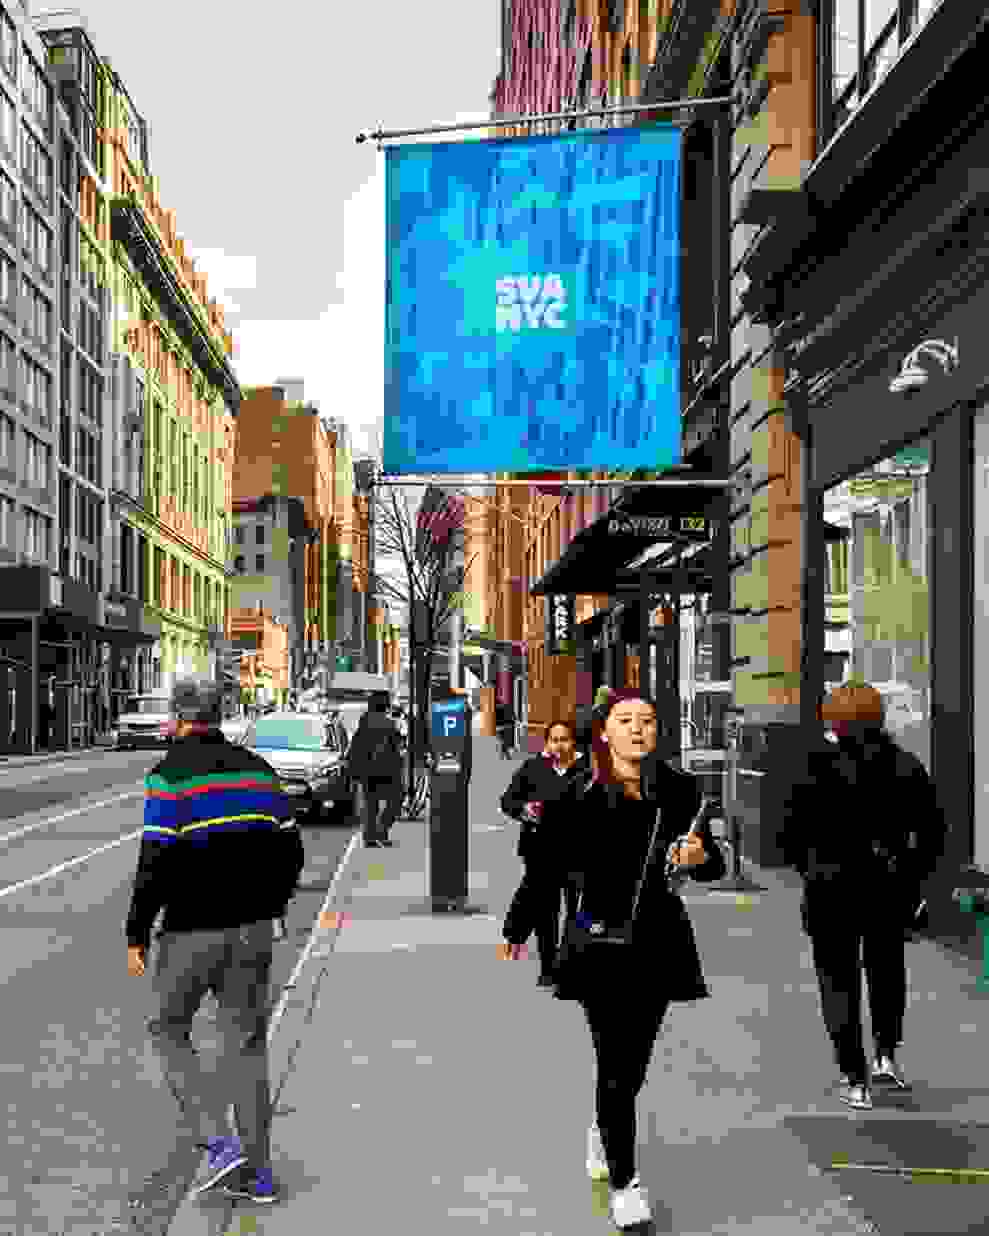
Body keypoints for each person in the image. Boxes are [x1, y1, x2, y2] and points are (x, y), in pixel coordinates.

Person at [498, 688, 726, 1230]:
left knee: (634, 1062)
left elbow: (711, 864)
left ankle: (603, 1128)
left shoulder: (680, 791)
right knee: (615, 1063)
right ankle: (627, 1184)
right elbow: (545, 870)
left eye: (647, 720)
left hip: (658, 942)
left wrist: (700, 857)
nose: (638, 729)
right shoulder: (577, 793)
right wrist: (518, 926)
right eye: (626, 720)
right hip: (596, 942)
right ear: (604, 732)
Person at [124, 676, 305, 1207]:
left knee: (168, 1027)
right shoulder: (258, 771)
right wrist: (273, 905)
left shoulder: (167, 778)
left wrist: (137, 932)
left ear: (178, 720)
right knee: (248, 1045)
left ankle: (216, 1137)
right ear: (220, 714)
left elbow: (154, 862)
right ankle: (260, 1173)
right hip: (253, 931)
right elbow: (291, 851)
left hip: (191, 931)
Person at [780, 679, 944, 1111]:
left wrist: (810, 868)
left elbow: (787, 833)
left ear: (832, 717)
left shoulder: (813, 766)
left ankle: (854, 1078)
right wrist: (913, 879)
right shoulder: (904, 765)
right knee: (887, 971)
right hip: (887, 889)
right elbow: (930, 833)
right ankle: (886, 1055)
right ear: (879, 716)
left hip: (829, 889)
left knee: (838, 981)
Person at [500, 719, 585, 988]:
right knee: (545, 913)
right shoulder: (533, 767)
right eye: (554, 740)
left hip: (578, 852)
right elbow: (508, 800)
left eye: (565, 739)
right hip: (540, 852)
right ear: (547, 743)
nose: (559, 746)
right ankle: (548, 968)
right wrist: (524, 810)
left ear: (574, 743)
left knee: (576, 912)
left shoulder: (588, 770)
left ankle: (572, 965)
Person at [347, 690, 404, 847]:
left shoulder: (364, 722)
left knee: (371, 805)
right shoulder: (389, 724)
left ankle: (369, 837)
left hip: (367, 772)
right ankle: (382, 831)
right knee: (396, 801)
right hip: (387, 771)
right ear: (385, 705)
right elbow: (397, 746)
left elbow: (356, 747)